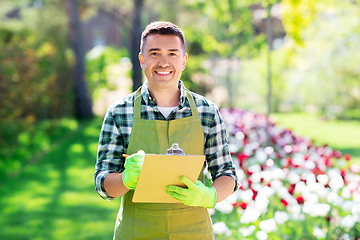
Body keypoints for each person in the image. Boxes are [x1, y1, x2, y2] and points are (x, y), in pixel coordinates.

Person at [94, 21, 239, 240]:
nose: (164, 62)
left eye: (172, 53)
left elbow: (226, 175)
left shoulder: (206, 112)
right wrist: (126, 179)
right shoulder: (119, 112)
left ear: (184, 60)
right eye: (154, 53)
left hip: (194, 233)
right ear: (142, 60)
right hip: (136, 233)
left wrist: (209, 196)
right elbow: (103, 183)